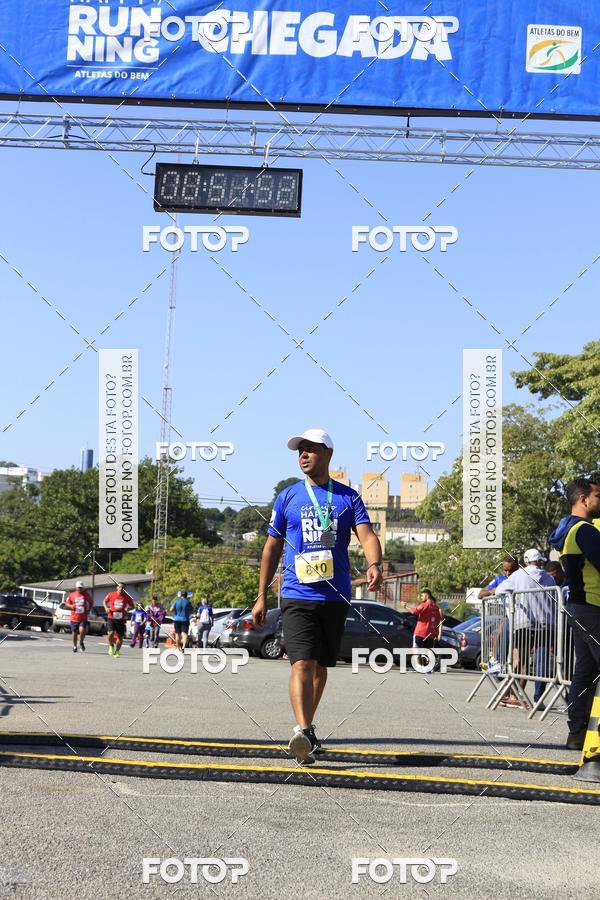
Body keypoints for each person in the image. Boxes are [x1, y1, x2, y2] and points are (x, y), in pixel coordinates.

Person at [253, 428, 382, 765]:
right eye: (300, 451)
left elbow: (367, 535)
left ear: (328, 453)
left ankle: (307, 732)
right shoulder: (288, 497)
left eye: (310, 449)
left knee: (321, 667)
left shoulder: (347, 497)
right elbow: (271, 548)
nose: (303, 455)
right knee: (302, 662)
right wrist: (261, 595)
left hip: (335, 596)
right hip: (296, 594)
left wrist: (375, 563)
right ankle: (303, 729)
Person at [549, 477, 600, 750]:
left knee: (586, 670)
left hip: (580, 607)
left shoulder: (568, 530)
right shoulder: (586, 531)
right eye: (598, 496)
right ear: (584, 499)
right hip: (591, 605)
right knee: (585, 670)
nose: (599, 501)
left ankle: (577, 732)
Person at [495, 549, 556, 708]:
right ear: (540, 561)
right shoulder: (549, 578)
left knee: (520, 661)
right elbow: (555, 601)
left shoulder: (518, 575)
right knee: (542, 662)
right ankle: (538, 699)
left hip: (524, 623)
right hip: (546, 625)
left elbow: (500, 590)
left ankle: (510, 694)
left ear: (526, 561)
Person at [401, 589, 442, 663]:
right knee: (428, 651)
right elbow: (438, 621)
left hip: (420, 632)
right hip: (430, 634)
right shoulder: (436, 608)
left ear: (427, 595)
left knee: (416, 650)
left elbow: (414, 611)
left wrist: (405, 607)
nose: (421, 597)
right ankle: (429, 668)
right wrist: (437, 633)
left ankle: (419, 667)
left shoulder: (424, 605)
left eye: (422, 595)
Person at [103, 582, 134, 658]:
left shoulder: (126, 597)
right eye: (119, 587)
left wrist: (128, 608)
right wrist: (106, 608)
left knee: (120, 637)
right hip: (111, 617)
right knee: (111, 633)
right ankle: (111, 646)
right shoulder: (111, 594)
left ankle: (117, 651)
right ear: (117, 587)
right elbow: (104, 601)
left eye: (122, 587)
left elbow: (132, 606)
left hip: (121, 619)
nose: (121, 589)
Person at [65, 580, 93, 653]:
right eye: (78, 587)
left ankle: (81, 642)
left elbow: (91, 602)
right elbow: (66, 603)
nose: (80, 589)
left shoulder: (86, 595)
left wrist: (89, 610)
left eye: (81, 587)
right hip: (74, 617)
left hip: (83, 617)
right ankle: (74, 646)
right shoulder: (72, 594)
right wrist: (71, 605)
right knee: (74, 632)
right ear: (76, 587)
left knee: (82, 630)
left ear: (83, 588)